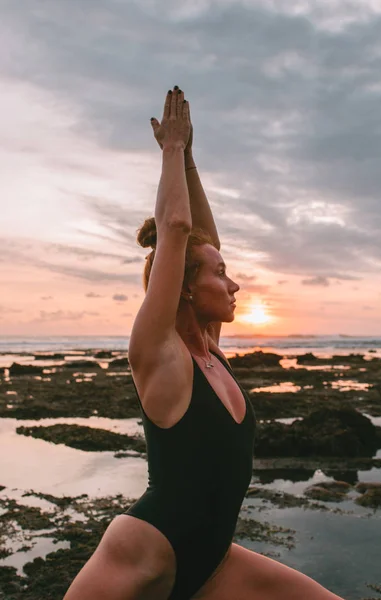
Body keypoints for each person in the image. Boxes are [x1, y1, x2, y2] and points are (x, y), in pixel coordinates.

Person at [63, 86, 345, 600]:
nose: (234, 283)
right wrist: (171, 150)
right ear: (186, 288)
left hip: (213, 562)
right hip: (143, 559)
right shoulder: (160, 353)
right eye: (221, 274)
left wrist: (191, 160)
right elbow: (177, 227)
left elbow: (201, 234)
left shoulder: (210, 350)